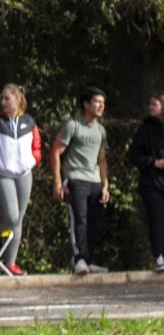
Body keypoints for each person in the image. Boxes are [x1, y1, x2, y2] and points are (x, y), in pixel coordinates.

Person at [0, 83, 41, 276]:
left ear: (18, 99)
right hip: (1, 173)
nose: (3, 102)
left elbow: (36, 144)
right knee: (12, 216)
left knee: (19, 219)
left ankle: (11, 262)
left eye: (7, 98)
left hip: (24, 173)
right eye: (1, 98)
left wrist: (33, 160)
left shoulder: (29, 121)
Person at [50, 87, 110, 275]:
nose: (101, 105)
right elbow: (55, 151)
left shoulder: (100, 130)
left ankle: (88, 260)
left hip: (95, 182)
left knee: (94, 223)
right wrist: (58, 183)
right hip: (76, 179)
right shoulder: (72, 125)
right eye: (97, 101)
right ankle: (79, 259)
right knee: (79, 221)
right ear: (86, 104)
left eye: (103, 102)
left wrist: (105, 185)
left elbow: (102, 160)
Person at [128, 92, 164, 272]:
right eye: (149, 104)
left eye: (155, 104)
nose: (150, 107)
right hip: (152, 182)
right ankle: (159, 257)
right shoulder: (145, 129)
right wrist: (154, 162)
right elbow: (133, 156)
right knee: (156, 219)